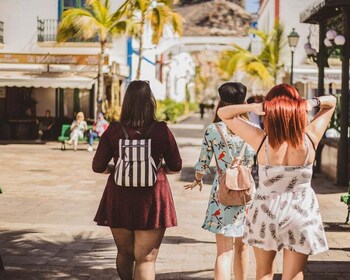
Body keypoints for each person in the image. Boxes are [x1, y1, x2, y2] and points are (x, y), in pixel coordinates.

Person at [218, 83, 336, 280]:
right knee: (294, 274)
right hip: (301, 211)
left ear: (270, 110)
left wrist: (253, 107)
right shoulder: (310, 137)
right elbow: (331, 102)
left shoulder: (261, 139)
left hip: (266, 211)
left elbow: (224, 113)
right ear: (298, 108)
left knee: (263, 273)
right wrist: (310, 102)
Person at [92, 80, 182, 280]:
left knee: (124, 253)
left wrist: (119, 169)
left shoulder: (114, 130)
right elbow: (176, 166)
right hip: (153, 197)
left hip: (119, 196)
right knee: (146, 258)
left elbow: (98, 166)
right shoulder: (160, 130)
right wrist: (156, 169)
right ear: (150, 102)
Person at [184, 82, 256, 280]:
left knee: (223, 252)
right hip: (248, 192)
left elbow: (202, 164)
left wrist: (198, 179)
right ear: (243, 103)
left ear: (221, 103)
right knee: (243, 247)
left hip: (222, 191)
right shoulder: (254, 129)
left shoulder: (213, 130)